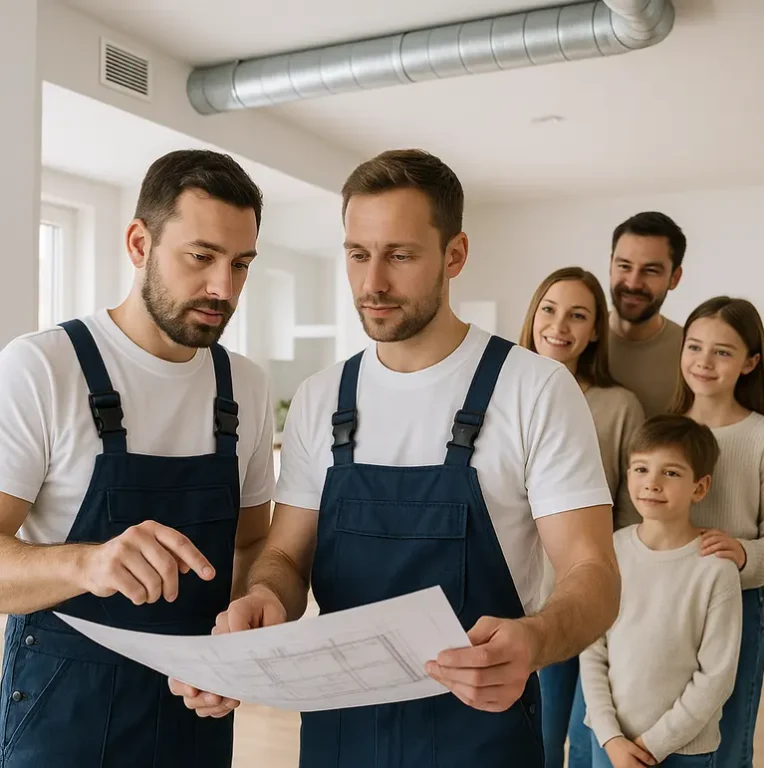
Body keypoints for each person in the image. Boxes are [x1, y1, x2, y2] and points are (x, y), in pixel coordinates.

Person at [173, 149, 621, 767]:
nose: (373, 283)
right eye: (358, 254)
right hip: (338, 736)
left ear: (455, 255)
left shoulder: (534, 388)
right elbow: (282, 555)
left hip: (481, 734)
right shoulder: (321, 398)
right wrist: (267, 600)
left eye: (400, 255)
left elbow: (594, 574)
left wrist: (538, 639)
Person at [0, 149, 275, 767]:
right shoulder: (43, 367)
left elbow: (253, 546)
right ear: (138, 242)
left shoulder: (245, 388)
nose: (223, 288)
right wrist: (87, 565)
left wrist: (241, 641)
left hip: (195, 717)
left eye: (241, 264)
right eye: (200, 257)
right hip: (63, 716)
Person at [519, 266, 645, 768]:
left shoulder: (619, 407)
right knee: (535, 742)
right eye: (549, 309)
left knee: (586, 737)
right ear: (533, 315)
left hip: (589, 600)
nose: (559, 325)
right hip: (514, 600)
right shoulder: (501, 391)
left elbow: (632, 517)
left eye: (578, 315)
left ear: (596, 330)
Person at [581, 414, 742, 768]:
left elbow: (717, 677)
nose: (652, 483)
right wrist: (610, 737)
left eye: (670, 472)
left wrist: (654, 744)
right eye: (641, 469)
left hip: (685, 751)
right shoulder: (612, 550)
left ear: (699, 488)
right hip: (611, 746)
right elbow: (592, 651)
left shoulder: (716, 569)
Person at [672, 296, 764, 768]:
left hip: (738, 607)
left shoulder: (763, 438)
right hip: (662, 605)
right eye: (694, 346)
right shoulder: (660, 430)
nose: (704, 362)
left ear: (750, 362)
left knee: (729, 746)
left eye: (723, 352)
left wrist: (744, 554)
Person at [608, 212, 686, 417]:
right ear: (610, 265)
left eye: (650, 270)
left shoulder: (691, 354)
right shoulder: (577, 340)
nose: (633, 283)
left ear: (674, 278)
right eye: (624, 266)